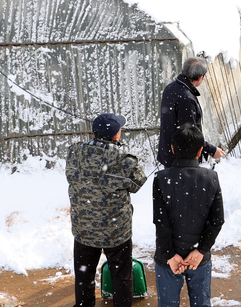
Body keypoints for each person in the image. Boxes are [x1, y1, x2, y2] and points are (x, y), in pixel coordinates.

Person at [66, 113, 148, 307]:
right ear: (115, 135)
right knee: (121, 277)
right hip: (116, 232)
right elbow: (138, 182)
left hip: (84, 229)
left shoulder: (74, 153)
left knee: (84, 277)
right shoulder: (123, 160)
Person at [153, 125, 225, 307]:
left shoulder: (162, 178)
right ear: (200, 150)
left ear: (172, 149)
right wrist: (201, 250)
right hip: (198, 260)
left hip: (167, 260)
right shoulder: (211, 178)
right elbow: (217, 221)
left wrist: (170, 255)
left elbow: (161, 223)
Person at [158, 56, 226, 167]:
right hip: (181, 159)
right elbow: (190, 135)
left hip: (169, 153)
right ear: (200, 78)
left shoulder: (170, 88)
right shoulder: (186, 99)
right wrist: (212, 150)